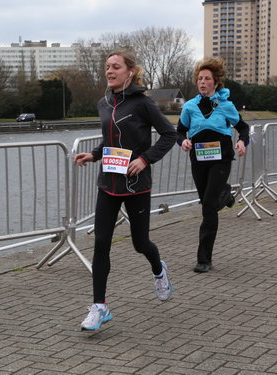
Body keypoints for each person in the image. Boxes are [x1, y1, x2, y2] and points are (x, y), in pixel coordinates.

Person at [74, 50, 177, 331]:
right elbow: (109, 142)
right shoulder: (103, 103)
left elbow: (170, 134)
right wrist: (93, 155)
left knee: (139, 243)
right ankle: (100, 307)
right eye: (107, 67)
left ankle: (159, 270)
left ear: (130, 72)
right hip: (108, 184)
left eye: (116, 67)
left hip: (136, 186)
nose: (109, 71)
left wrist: (144, 159)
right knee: (101, 243)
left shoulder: (143, 104)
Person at [177, 58, 249, 273]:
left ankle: (204, 259)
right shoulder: (189, 106)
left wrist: (242, 142)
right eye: (200, 78)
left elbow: (244, 128)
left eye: (207, 78)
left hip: (221, 159)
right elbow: (179, 131)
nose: (202, 82)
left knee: (209, 206)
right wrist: (184, 141)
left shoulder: (226, 106)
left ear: (215, 82)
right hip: (199, 160)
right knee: (207, 203)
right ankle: (226, 196)